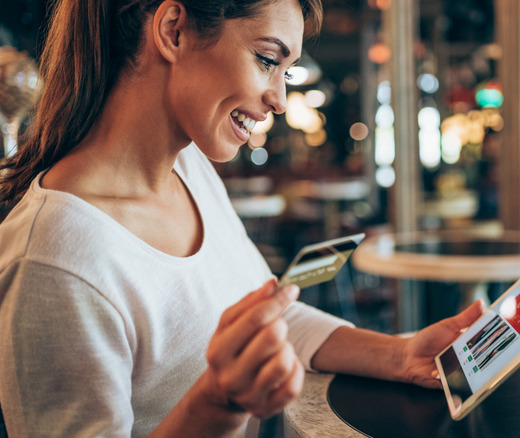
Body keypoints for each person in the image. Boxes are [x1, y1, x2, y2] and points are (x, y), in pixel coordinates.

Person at [0, 0, 485, 436]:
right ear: (173, 31)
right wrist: (218, 402)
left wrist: (400, 355)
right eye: (268, 60)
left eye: (286, 73)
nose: (279, 98)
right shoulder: (54, 256)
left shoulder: (190, 170)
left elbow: (271, 318)